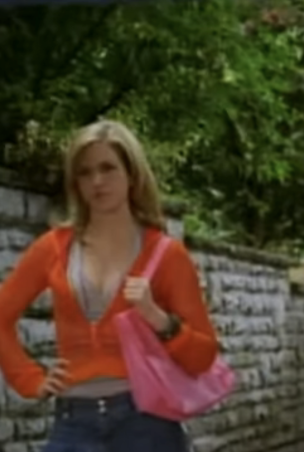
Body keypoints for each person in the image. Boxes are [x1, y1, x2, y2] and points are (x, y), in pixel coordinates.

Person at [0, 119, 220, 452]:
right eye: (85, 172)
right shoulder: (53, 247)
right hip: (74, 421)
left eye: (108, 168)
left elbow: (203, 354)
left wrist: (159, 319)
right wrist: (30, 379)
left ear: (132, 175)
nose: (97, 181)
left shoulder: (165, 253)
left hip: (146, 421)